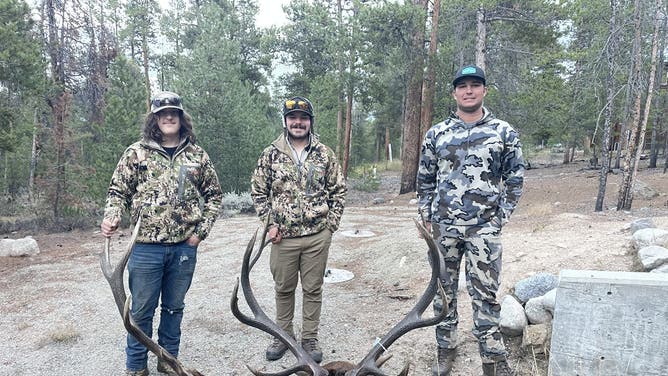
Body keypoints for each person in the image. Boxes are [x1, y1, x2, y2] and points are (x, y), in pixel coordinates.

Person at [101, 91, 223, 376]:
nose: (169, 117)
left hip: (184, 247)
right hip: (145, 248)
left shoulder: (197, 155)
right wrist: (112, 215)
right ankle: (135, 367)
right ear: (154, 118)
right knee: (140, 311)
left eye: (174, 112)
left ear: (181, 117)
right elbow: (118, 191)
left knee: (173, 308)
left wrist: (199, 234)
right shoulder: (137, 152)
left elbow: (215, 196)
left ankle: (168, 362)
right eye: (162, 113)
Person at [416, 65, 524, 376]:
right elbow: (424, 179)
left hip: (484, 231)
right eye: (462, 86)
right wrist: (427, 216)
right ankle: (445, 350)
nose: (468, 90)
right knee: (443, 291)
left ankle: (492, 358)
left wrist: (499, 217)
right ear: (454, 93)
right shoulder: (437, 133)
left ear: (484, 90)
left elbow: (515, 179)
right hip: (444, 228)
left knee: (486, 295)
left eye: (475, 85)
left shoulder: (503, 132)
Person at [250, 96, 346, 363]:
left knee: (313, 289)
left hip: (317, 235)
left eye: (303, 118)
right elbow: (258, 192)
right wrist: (270, 225)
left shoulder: (324, 153)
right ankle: (283, 335)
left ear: (310, 122)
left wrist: (331, 225)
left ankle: (310, 337)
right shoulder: (270, 153)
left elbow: (338, 190)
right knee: (283, 288)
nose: (298, 123)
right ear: (286, 121)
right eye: (293, 118)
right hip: (283, 238)